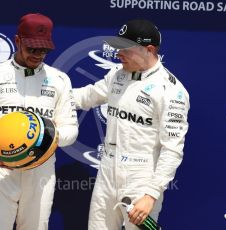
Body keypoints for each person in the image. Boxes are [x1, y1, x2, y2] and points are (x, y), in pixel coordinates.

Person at [74, 19, 190, 229]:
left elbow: (172, 149)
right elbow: (87, 96)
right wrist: (51, 95)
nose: (118, 54)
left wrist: (151, 194)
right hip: (107, 170)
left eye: (125, 49)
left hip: (141, 177)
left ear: (149, 49)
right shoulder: (117, 75)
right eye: (117, 47)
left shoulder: (172, 91)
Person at [0, 13, 78, 230]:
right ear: (18, 41)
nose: (38, 55)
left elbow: (71, 130)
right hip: (2, 168)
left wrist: (46, 136)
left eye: (44, 49)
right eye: (32, 48)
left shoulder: (60, 80)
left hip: (41, 170)